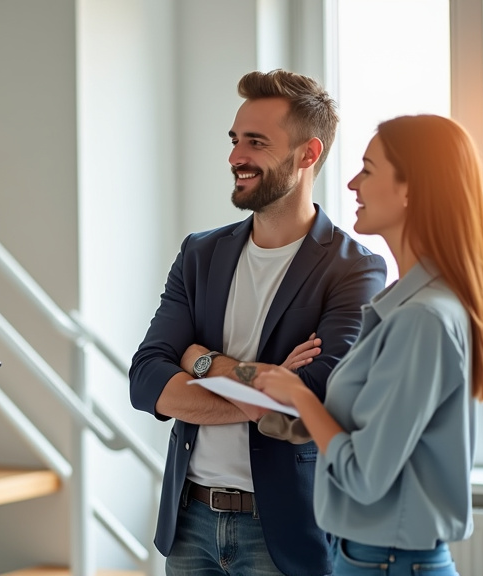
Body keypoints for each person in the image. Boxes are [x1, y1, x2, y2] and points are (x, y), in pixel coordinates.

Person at [128, 69, 387, 576]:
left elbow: (310, 403)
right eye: (234, 140)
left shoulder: (354, 267)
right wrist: (270, 380)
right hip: (189, 525)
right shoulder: (200, 253)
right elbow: (145, 379)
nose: (235, 157)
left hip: (283, 533)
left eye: (255, 142)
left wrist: (201, 360)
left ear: (308, 154)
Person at [253, 114, 483, 575]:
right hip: (371, 558)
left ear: (411, 189)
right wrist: (284, 411)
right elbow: (371, 434)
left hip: (385, 563)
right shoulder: (405, 306)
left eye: (367, 169)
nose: (351, 183)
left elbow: (364, 476)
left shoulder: (422, 320)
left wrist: (300, 397)